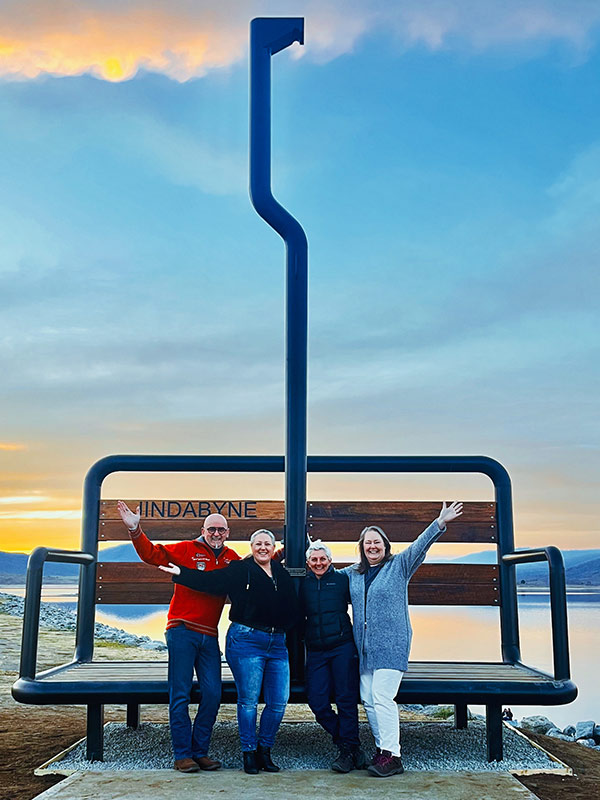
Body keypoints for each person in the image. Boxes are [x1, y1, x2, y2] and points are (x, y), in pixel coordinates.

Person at [159, 529, 300, 774]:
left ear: (274, 547)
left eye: (267, 544)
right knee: (249, 700)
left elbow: (292, 608)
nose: (263, 547)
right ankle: (248, 753)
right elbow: (211, 580)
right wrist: (182, 573)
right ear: (251, 547)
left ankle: (264, 751)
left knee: (278, 702)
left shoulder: (281, 574)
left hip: (277, 644)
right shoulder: (239, 569)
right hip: (246, 641)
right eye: (258, 544)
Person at [117, 501, 240, 773]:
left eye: (221, 530)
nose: (216, 534)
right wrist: (135, 529)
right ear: (203, 530)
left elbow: (256, 570)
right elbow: (152, 554)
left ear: (228, 532)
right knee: (180, 694)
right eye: (211, 529)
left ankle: (200, 751)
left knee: (212, 694)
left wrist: (283, 553)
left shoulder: (232, 558)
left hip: (209, 636)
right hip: (182, 630)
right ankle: (183, 754)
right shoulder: (186, 549)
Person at [343, 501, 463, 777]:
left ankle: (393, 755)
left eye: (377, 542)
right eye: (367, 543)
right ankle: (382, 750)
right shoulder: (353, 574)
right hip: (364, 650)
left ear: (385, 545)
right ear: (361, 548)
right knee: (368, 698)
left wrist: (439, 523)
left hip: (391, 645)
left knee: (383, 696)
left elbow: (420, 546)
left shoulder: (399, 565)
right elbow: (324, 576)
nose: (372, 547)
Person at [302, 540, 366, 773]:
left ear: (330, 561)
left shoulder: (342, 580)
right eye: (314, 560)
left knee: (346, 699)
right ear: (308, 563)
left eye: (323, 559)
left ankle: (347, 752)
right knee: (317, 701)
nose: (319, 563)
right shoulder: (303, 584)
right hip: (317, 650)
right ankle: (349, 743)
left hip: (342, 647)